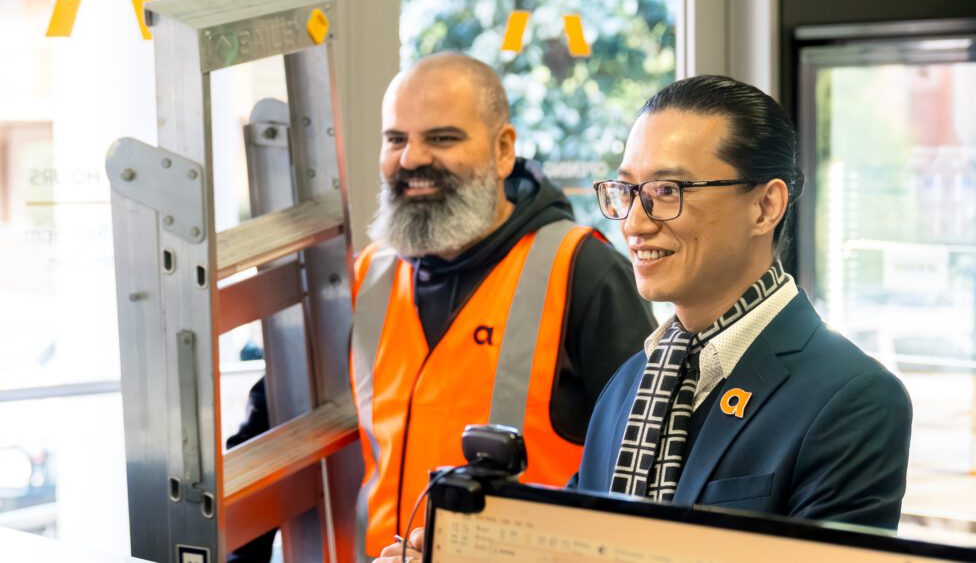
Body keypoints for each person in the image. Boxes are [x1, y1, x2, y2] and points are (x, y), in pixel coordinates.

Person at [375, 74, 912, 562]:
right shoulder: (633, 382)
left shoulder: (852, 399)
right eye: (628, 191)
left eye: (666, 192)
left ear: (766, 206)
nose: (634, 222)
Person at [230, 52, 655, 562]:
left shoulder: (582, 272)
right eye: (396, 139)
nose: (412, 160)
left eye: (442, 138)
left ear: (503, 150)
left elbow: (641, 477)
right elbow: (271, 432)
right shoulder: (362, 279)